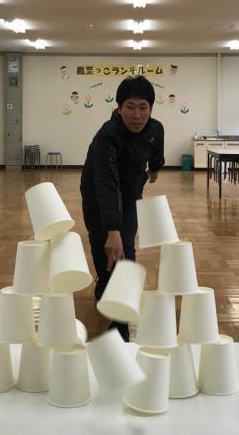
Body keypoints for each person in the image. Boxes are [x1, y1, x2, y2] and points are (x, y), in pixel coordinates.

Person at [80, 76, 165, 341]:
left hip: (130, 196)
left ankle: (120, 324)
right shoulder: (107, 137)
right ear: (119, 108)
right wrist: (112, 229)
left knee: (125, 248)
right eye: (130, 107)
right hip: (97, 196)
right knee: (102, 246)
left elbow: (156, 152)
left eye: (143, 107)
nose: (137, 115)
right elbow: (106, 184)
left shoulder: (155, 129)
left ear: (151, 109)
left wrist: (155, 170)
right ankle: (105, 284)